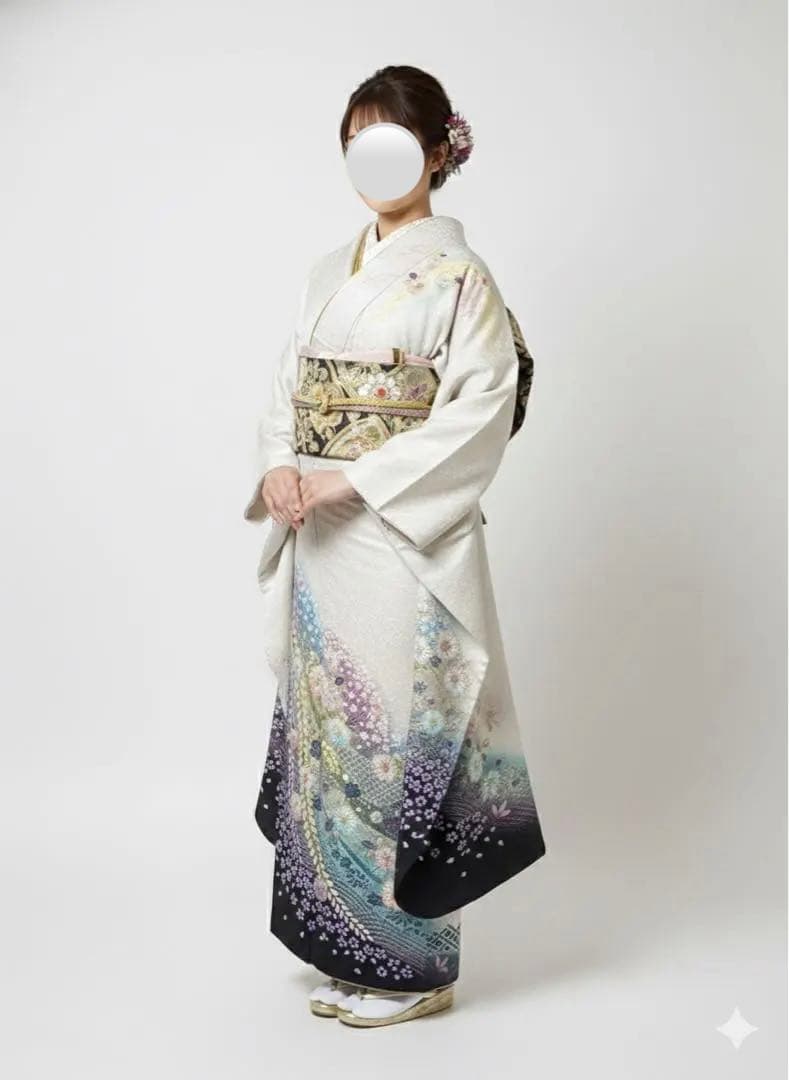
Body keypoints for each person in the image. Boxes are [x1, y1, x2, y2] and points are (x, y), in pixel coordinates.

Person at [243, 65, 546, 1029]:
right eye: (355, 145)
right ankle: (344, 946)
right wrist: (282, 466)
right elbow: (289, 389)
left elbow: (481, 409)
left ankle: (413, 970)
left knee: (396, 738)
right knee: (332, 732)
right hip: (320, 536)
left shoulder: (462, 279)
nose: (370, 164)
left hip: (398, 539)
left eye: (389, 143)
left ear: (434, 153)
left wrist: (357, 478)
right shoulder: (324, 273)